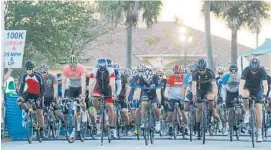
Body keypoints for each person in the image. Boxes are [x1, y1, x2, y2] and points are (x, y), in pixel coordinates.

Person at [239, 57, 267, 142]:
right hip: (248, 88)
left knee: (258, 111)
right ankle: (247, 112)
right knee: (244, 94)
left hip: (258, 90)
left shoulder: (262, 70)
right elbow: (241, 84)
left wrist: (265, 94)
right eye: (252, 71)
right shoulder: (246, 70)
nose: (253, 72)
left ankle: (259, 132)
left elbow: (265, 84)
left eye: (255, 71)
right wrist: (240, 93)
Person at [192, 58, 220, 139]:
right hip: (199, 90)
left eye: (203, 70)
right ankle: (198, 127)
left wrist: (215, 95)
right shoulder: (195, 73)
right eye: (200, 70)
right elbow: (193, 85)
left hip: (209, 89)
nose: (201, 71)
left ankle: (211, 114)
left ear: (205, 68)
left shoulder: (210, 72)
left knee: (211, 99)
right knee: (198, 108)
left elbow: (214, 85)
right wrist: (194, 95)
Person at [89, 58, 116, 138]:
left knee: (110, 106)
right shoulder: (95, 69)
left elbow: (112, 82)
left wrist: (113, 93)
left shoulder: (111, 69)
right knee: (94, 98)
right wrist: (90, 92)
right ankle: (98, 112)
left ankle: (112, 129)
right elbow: (91, 81)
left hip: (108, 88)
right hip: (99, 87)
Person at [17, 61, 45, 137]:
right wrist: (20, 96)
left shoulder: (38, 76)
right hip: (29, 93)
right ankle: (28, 111)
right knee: (19, 102)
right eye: (27, 69)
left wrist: (40, 97)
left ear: (33, 69)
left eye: (30, 69)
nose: (28, 70)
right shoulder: (25, 76)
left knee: (39, 112)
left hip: (38, 94)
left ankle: (42, 129)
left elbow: (43, 88)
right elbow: (22, 87)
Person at [61, 55, 87, 138]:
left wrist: (83, 95)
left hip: (80, 87)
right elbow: (64, 82)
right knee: (73, 110)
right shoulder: (66, 69)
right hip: (71, 88)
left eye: (74, 66)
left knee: (82, 101)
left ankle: (84, 114)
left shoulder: (81, 68)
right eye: (71, 66)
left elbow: (83, 82)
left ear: (77, 64)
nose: (73, 68)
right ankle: (74, 129)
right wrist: (62, 95)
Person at [164, 65, 188, 137]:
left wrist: (185, 97)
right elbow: (167, 89)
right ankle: (170, 126)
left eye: (178, 73)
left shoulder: (183, 78)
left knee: (184, 114)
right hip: (172, 98)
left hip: (181, 98)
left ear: (180, 73)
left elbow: (186, 89)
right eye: (175, 73)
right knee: (170, 115)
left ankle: (186, 127)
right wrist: (166, 96)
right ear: (173, 73)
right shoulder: (170, 78)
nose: (176, 75)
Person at [138, 67, 161, 132]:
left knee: (155, 107)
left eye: (149, 80)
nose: (148, 82)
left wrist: (159, 100)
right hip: (145, 92)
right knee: (143, 104)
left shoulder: (156, 78)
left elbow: (158, 91)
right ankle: (143, 121)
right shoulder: (141, 78)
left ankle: (158, 122)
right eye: (146, 80)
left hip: (154, 92)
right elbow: (138, 90)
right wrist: (136, 99)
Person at [221, 64, 241, 134]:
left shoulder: (240, 76)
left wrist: (241, 96)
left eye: (234, 72)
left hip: (237, 92)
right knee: (229, 111)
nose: (233, 74)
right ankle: (228, 127)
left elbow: (241, 87)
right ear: (229, 72)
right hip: (229, 93)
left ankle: (239, 121)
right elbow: (223, 90)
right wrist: (224, 99)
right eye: (231, 73)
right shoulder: (226, 77)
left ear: (237, 72)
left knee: (241, 108)